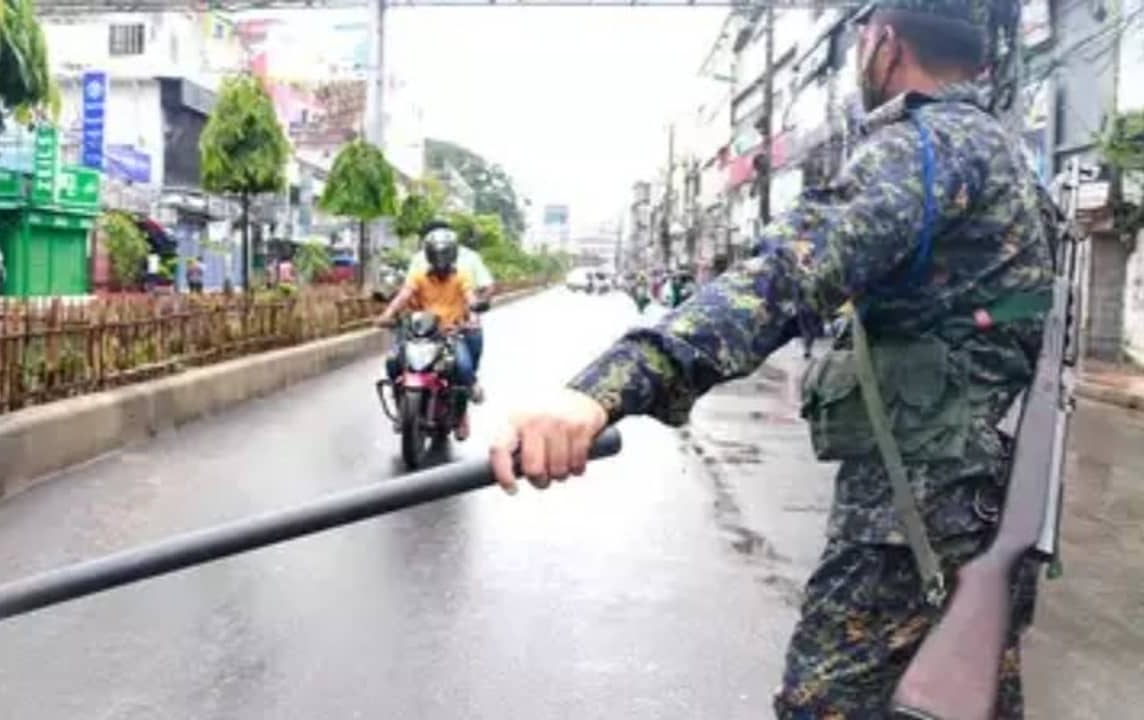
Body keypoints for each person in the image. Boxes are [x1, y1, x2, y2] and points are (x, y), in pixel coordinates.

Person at [489, 1, 1053, 717]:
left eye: (858, 41)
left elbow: (785, 276)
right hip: (986, 505)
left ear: (884, 45)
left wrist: (601, 390)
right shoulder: (1011, 159)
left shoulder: (925, 147)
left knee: (823, 706)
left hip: (916, 517)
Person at [377, 228, 480, 440]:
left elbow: (470, 297)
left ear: (452, 254)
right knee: (393, 362)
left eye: (444, 254)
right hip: (421, 333)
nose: (440, 259)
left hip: (450, 333)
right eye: (435, 254)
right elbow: (403, 296)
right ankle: (402, 411)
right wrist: (386, 315)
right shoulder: (418, 276)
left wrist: (474, 314)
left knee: (463, 367)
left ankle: (461, 416)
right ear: (428, 255)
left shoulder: (462, 277)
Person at [405, 220, 494, 399]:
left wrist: (475, 309)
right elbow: (406, 293)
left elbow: (487, 287)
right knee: (397, 358)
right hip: (424, 327)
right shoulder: (418, 261)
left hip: (461, 323)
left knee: (465, 365)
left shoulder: (469, 259)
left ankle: (470, 386)